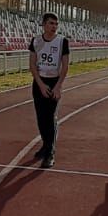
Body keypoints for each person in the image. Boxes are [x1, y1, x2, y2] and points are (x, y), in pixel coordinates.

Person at [29, 12, 70, 169]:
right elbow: (32, 65)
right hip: (39, 82)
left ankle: (50, 153)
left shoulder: (62, 41)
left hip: (54, 82)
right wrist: (40, 84)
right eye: (51, 23)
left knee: (50, 117)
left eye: (56, 24)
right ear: (44, 24)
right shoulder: (36, 41)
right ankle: (46, 145)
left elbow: (65, 66)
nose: (54, 26)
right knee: (40, 118)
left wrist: (58, 86)